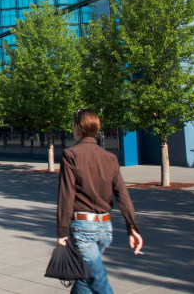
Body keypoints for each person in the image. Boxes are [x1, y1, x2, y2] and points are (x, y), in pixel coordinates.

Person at [56, 108, 143, 294]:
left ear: (78, 127)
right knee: (85, 276)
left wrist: (62, 231)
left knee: (97, 277)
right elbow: (122, 195)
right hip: (105, 228)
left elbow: (66, 194)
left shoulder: (71, 154)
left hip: (83, 228)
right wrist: (132, 227)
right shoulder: (110, 158)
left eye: (73, 125)